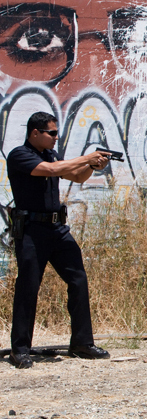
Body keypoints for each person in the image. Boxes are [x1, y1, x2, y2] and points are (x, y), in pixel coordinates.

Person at [6, 112, 112, 369]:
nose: (56, 137)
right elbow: (52, 170)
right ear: (35, 133)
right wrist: (87, 157)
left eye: (56, 133)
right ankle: (20, 349)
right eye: (51, 133)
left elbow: (76, 176)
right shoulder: (20, 155)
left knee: (78, 279)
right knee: (28, 287)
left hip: (57, 229)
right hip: (32, 231)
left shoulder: (51, 155)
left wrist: (92, 166)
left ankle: (82, 343)